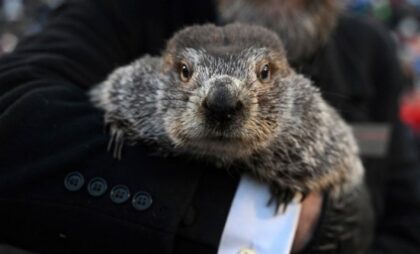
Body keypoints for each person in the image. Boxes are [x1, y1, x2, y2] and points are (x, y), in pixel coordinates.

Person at [0, 0, 419, 253]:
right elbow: (14, 114)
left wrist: (343, 228)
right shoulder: (130, 11)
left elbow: (406, 220)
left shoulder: (370, 50)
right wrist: (268, 224)